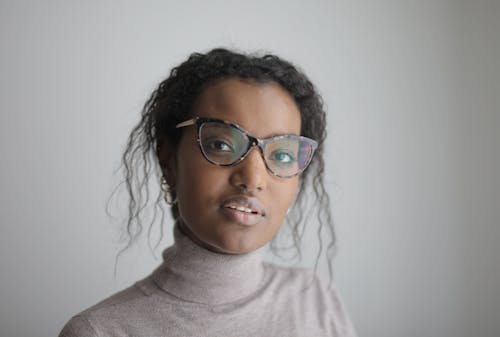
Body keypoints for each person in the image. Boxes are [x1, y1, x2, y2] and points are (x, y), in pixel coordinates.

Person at [59, 48, 357, 337]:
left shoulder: (317, 301)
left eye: (281, 156)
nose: (252, 179)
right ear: (168, 161)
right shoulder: (100, 331)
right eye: (221, 145)